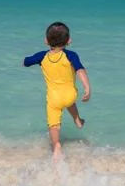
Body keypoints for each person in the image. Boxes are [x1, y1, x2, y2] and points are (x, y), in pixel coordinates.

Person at [23, 22, 90, 160]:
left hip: (53, 99)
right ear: (69, 41)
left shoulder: (42, 56)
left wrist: (24, 61)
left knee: (54, 125)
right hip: (70, 95)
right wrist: (87, 87)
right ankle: (77, 120)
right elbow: (80, 70)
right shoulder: (71, 55)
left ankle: (56, 146)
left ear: (46, 41)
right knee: (70, 102)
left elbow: (26, 61)